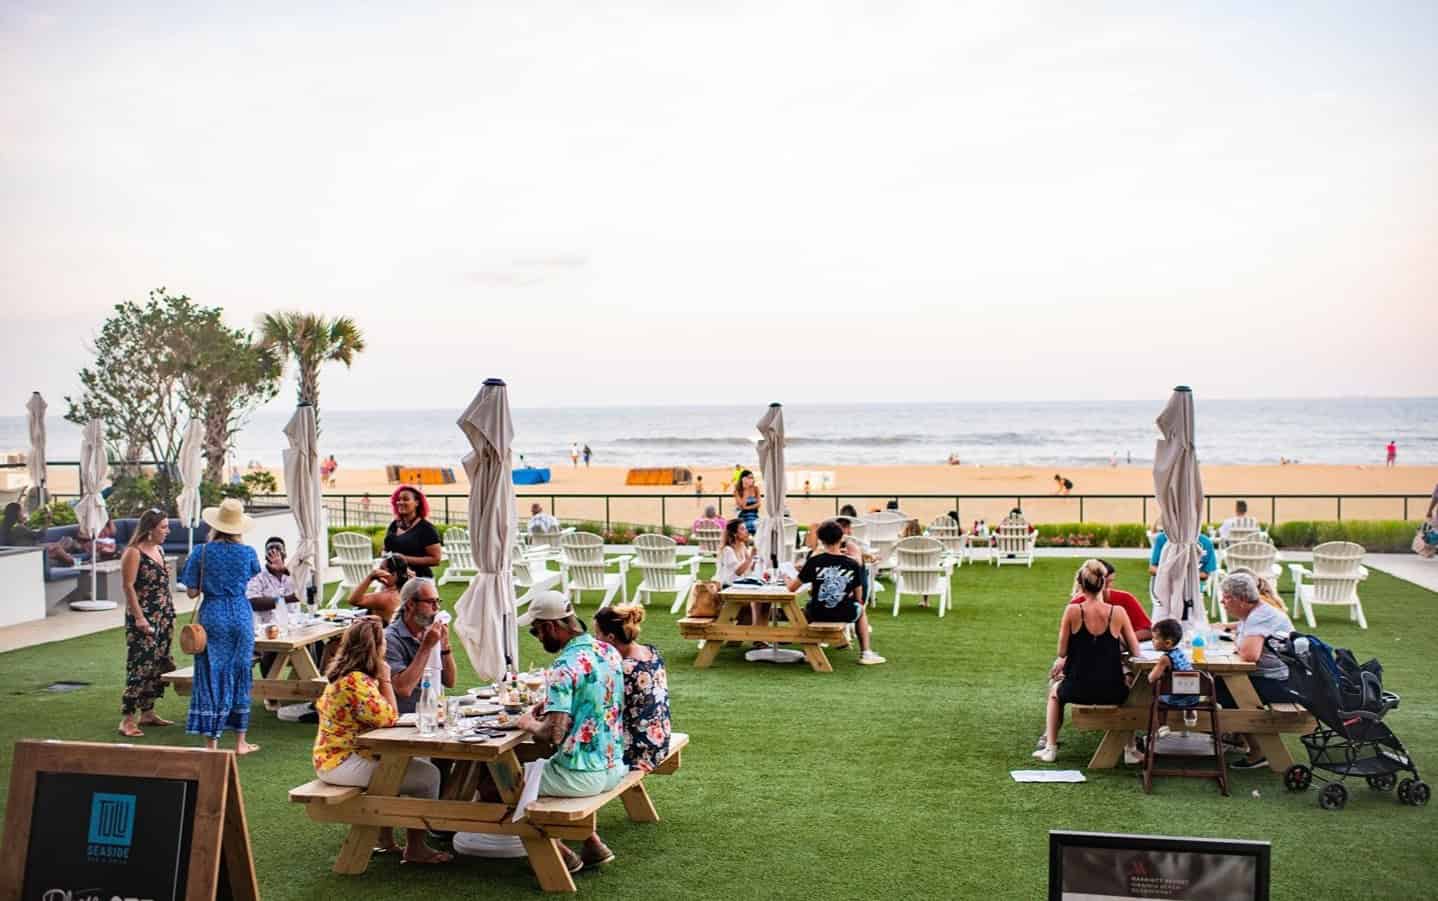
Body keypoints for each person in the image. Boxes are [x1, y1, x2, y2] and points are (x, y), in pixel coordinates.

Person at [313, 616, 450, 864]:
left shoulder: (345, 676)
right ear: (376, 648)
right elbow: (389, 717)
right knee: (428, 775)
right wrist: (386, 677)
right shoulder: (356, 682)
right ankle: (416, 847)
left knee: (395, 767)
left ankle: (385, 839)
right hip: (341, 763)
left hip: (334, 758)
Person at [516, 592, 626, 872]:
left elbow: (552, 733)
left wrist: (528, 723)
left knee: (498, 782)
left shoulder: (563, 666)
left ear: (551, 627)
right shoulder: (608, 650)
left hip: (581, 775)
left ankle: (560, 853)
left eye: (535, 631)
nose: (538, 638)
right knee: (538, 768)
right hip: (613, 767)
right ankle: (593, 844)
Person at [1034, 559, 1141, 763]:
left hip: (1076, 688)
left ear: (1081, 584)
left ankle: (1051, 747)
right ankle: (1130, 748)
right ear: (1104, 583)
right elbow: (1136, 651)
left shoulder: (1073, 611)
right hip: (1113, 690)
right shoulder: (1118, 612)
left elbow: (1062, 651)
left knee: (1055, 693)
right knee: (1132, 690)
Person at [180, 498, 262, 754]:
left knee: (210, 674)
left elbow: (192, 592)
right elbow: (252, 576)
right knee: (239, 673)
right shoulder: (247, 553)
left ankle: (212, 744)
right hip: (240, 614)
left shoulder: (201, 552)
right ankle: (240, 743)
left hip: (212, 614)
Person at [1214, 572, 1295, 769]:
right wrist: (1225, 629)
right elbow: (1243, 629)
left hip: (1285, 684)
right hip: (1280, 677)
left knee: (1225, 689)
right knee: (1219, 683)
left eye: (1226, 598)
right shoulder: (1254, 612)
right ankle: (1241, 737)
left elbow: (1250, 655)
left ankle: (1259, 750)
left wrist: (1235, 641)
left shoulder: (1259, 617)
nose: (1223, 602)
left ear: (1240, 600)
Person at [785, 520, 885, 665]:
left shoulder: (814, 561)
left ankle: (810, 649)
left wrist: (788, 579)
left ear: (821, 540)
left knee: (805, 609)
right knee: (861, 610)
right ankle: (866, 653)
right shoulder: (852, 564)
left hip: (816, 613)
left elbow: (792, 588)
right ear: (841, 538)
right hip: (844, 613)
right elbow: (858, 596)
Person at [118, 509, 176, 737]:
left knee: (157, 663)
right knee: (140, 664)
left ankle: (148, 712)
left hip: (163, 615)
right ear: (150, 529)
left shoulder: (159, 550)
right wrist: (140, 618)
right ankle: (127, 718)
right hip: (144, 616)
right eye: (163, 527)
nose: (167, 531)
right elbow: (128, 586)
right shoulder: (133, 552)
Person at [593, 604, 671, 772]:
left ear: (611, 637)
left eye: (597, 634)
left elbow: (601, 707)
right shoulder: (651, 652)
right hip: (659, 741)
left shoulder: (625, 669)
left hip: (639, 752)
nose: (595, 640)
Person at [383, 577, 455, 714]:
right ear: (410, 604)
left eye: (438, 601)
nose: (437, 608)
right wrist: (426, 646)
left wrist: (445, 645)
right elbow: (403, 689)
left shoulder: (429, 633)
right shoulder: (389, 639)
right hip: (405, 720)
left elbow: (450, 682)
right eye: (430, 602)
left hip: (435, 713)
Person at [1063, 558, 1152, 643]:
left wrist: (1120, 641)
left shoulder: (1125, 598)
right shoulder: (1075, 605)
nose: (1110, 587)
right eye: (1107, 582)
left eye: (1112, 581)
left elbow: (1148, 631)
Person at [383, 485, 442, 579]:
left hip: (419, 579)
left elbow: (436, 559)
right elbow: (386, 549)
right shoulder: (394, 525)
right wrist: (386, 556)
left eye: (405, 499)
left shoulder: (426, 528)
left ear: (417, 503)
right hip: (393, 579)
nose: (400, 502)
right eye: (398, 499)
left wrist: (403, 559)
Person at [1147, 618, 1198, 709]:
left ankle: (1161, 723)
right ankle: (1190, 716)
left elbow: (1151, 678)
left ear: (1167, 643)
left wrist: (1151, 672)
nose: (1152, 640)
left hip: (1177, 698)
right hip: (1193, 697)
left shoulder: (1165, 659)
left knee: (1154, 697)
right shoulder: (1180, 653)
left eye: (1155, 638)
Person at [347, 552, 410, 623]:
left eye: (382, 568)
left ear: (393, 574)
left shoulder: (386, 597)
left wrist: (370, 577)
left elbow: (353, 600)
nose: (377, 570)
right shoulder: (406, 590)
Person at [1148, 525, 1217, 583]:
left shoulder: (1205, 542)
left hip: (1193, 588)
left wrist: (1182, 575)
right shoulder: (1162, 538)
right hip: (1166, 585)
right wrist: (1172, 574)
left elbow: (1205, 575)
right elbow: (1152, 569)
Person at [716, 519, 756, 587]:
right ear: (734, 533)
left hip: (740, 584)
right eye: (742, 529)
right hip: (728, 587)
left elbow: (748, 568)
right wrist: (751, 556)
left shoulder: (742, 546)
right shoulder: (727, 550)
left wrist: (757, 561)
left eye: (745, 528)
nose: (746, 531)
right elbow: (738, 572)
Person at [733, 470, 761, 538]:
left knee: (757, 525)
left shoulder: (756, 488)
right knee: (747, 526)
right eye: (749, 478)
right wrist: (746, 490)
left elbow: (759, 504)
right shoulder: (737, 490)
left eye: (752, 477)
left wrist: (746, 508)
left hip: (754, 515)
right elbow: (741, 505)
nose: (751, 479)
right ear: (743, 479)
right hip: (743, 517)